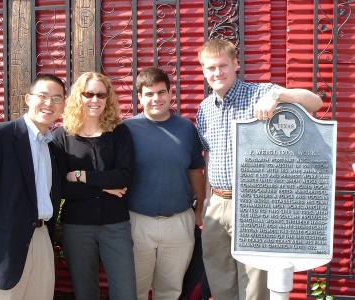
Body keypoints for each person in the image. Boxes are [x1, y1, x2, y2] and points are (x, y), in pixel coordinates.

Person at [196, 39, 323, 300]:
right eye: (211, 68)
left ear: (236, 65)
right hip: (217, 203)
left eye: (223, 66)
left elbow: (315, 102)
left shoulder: (260, 93)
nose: (217, 73)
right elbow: (208, 157)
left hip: (252, 204)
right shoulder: (204, 109)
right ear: (204, 71)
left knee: (254, 285)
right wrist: (207, 201)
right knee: (220, 280)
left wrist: (279, 95)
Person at [0, 74, 66, 299]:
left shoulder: (54, 148)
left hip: (41, 242)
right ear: (28, 99)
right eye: (43, 96)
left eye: (57, 99)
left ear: (63, 106)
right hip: (1, 248)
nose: (49, 104)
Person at [52, 72, 137, 300]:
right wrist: (103, 186)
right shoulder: (62, 136)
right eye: (89, 94)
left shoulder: (119, 132)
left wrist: (80, 175)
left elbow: (124, 177)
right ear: (78, 96)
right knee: (85, 293)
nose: (95, 100)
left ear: (108, 98)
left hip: (116, 225)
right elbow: (62, 188)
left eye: (101, 94)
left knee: (126, 292)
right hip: (77, 227)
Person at [125, 67, 206, 300]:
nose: (156, 99)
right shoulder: (127, 130)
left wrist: (200, 207)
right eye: (149, 94)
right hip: (137, 221)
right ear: (139, 97)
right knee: (135, 290)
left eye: (161, 92)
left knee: (170, 290)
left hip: (179, 222)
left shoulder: (185, 128)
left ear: (171, 94)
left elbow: (195, 170)